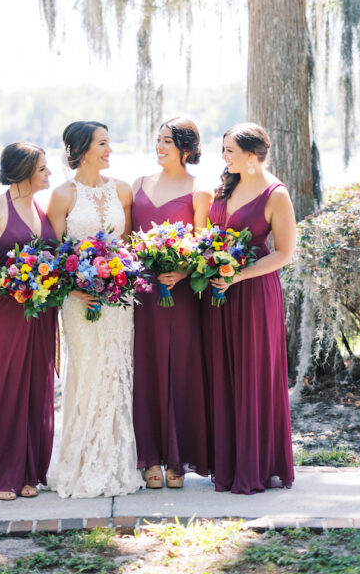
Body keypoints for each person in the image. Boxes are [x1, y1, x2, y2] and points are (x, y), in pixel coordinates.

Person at [46, 120, 141, 498]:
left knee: (116, 371)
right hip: (78, 300)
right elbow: (55, 254)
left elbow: (129, 245)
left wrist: (121, 276)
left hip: (118, 301)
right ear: (82, 149)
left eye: (109, 143)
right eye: (102, 144)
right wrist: (76, 287)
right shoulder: (62, 195)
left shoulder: (122, 190)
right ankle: (79, 462)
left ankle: (116, 462)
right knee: (85, 372)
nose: (109, 150)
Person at [203, 122, 296, 494]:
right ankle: (225, 466)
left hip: (254, 293)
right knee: (223, 372)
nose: (223, 157)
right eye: (223, 149)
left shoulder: (276, 195)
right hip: (217, 293)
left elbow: (285, 253)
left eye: (229, 150)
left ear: (252, 156)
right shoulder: (228, 183)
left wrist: (237, 277)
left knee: (252, 374)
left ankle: (254, 468)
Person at [0, 143, 57, 500]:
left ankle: (28, 471)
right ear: (23, 172)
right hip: (4, 314)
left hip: (39, 314)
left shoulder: (39, 207)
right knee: (4, 388)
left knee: (35, 390)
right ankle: (0, 474)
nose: (49, 175)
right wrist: (14, 283)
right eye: (42, 169)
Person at [131, 116, 212, 489]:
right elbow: (130, 242)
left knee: (180, 369)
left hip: (180, 295)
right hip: (143, 295)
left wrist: (181, 272)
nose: (160, 146)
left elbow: (204, 246)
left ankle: (177, 459)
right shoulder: (137, 186)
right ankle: (149, 457)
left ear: (186, 148)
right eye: (158, 139)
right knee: (145, 370)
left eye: (167, 140)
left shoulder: (200, 190)